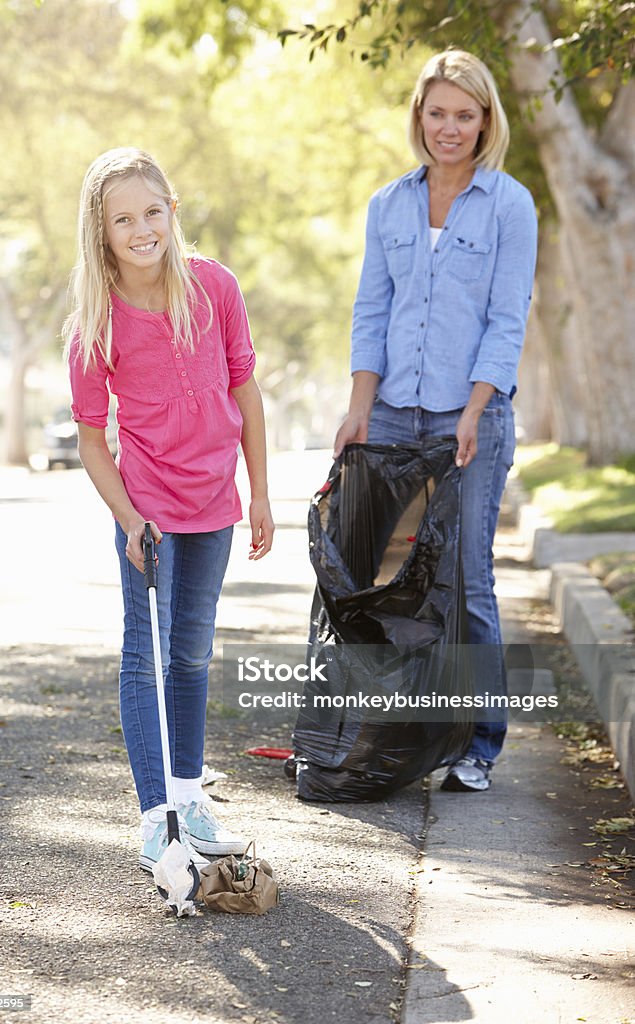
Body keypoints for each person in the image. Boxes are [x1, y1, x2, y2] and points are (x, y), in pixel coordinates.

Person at [63, 147, 274, 872]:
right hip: (147, 505)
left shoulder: (214, 287)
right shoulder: (95, 323)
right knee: (143, 655)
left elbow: (246, 394)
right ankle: (155, 817)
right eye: (123, 218)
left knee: (191, 651)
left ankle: (189, 798)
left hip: (214, 500)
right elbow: (94, 442)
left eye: (152, 211)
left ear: (171, 211)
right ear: (103, 231)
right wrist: (129, 519)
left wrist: (261, 495)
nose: (141, 228)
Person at [334, 50, 538, 792]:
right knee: (366, 571)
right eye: (436, 113)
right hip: (390, 412)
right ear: (417, 117)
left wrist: (477, 410)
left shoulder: (509, 204)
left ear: (485, 121)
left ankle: (478, 743)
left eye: (464, 114)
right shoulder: (387, 203)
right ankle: (364, 728)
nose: (448, 128)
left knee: (466, 578)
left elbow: (506, 318)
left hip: (469, 414)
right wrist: (359, 408)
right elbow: (371, 310)